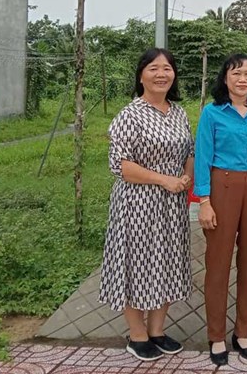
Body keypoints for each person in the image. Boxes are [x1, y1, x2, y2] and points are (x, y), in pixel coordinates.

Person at [100, 48, 193, 362]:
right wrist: (163, 180)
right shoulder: (130, 113)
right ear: (141, 75)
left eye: (167, 68)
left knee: (167, 262)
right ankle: (136, 334)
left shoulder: (178, 112)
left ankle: (157, 330)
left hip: (172, 203)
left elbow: (188, 151)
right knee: (137, 264)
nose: (161, 74)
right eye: (154, 68)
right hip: (137, 202)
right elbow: (121, 165)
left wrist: (185, 177)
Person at [194, 53, 247, 366]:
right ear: (225, 79)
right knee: (218, 262)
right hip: (221, 186)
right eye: (236, 74)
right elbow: (203, 157)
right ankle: (216, 335)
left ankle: (243, 332)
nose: (243, 80)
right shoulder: (213, 113)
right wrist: (204, 201)